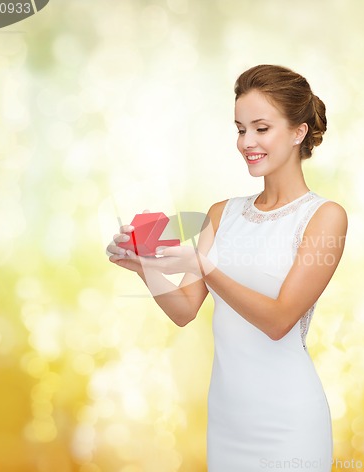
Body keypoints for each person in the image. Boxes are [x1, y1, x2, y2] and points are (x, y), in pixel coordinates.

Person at [106, 64, 347, 472]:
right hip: (227, 422)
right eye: (240, 129)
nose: (246, 142)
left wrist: (205, 266)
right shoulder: (221, 214)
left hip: (289, 423)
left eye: (261, 128)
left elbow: (278, 321)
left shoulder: (324, 217)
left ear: (298, 132)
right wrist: (143, 267)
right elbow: (184, 310)